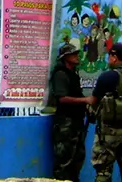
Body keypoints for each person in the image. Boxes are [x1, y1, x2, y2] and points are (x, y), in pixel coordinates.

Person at [90, 43, 122, 182]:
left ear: (114, 57)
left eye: (109, 56)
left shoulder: (106, 77)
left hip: (108, 135)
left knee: (103, 173)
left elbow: (94, 101)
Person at [48, 43, 93, 182]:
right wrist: (85, 100)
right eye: (74, 54)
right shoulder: (60, 74)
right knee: (64, 161)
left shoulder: (73, 74)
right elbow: (62, 98)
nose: (77, 57)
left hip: (76, 122)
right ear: (66, 57)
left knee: (77, 158)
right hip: (65, 123)